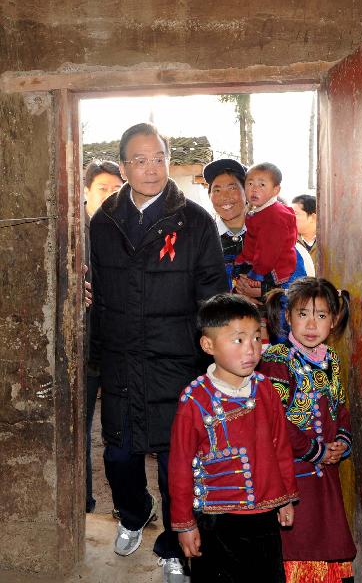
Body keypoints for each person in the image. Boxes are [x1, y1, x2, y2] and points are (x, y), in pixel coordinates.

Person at [89, 123, 227, 581]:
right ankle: (133, 513)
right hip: (122, 357)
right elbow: (92, 284)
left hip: (177, 360)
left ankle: (173, 543)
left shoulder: (195, 221)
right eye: (141, 160)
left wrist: (210, 351)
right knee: (120, 456)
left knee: (176, 464)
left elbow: (213, 292)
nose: (152, 169)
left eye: (160, 157)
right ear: (125, 166)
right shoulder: (103, 222)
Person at [168, 293, 298, 583]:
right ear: (208, 345)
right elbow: (179, 467)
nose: (251, 349)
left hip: (264, 518)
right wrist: (185, 524)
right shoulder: (195, 400)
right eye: (238, 340)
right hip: (217, 522)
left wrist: (286, 498)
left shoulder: (266, 390)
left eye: (256, 337)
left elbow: (281, 447)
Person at [259, 277, 356, 583]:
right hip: (292, 472)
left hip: (324, 474)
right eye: (303, 314)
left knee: (326, 535)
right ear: (288, 317)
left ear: (334, 321)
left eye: (322, 315)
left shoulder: (332, 360)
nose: (312, 324)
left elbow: (340, 407)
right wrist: (315, 450)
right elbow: (274, 421)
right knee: (297, 541)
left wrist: (341, 439)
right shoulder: (277, 359)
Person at [83, 159, 123, 513]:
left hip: (115, 347)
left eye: (116, 189)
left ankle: (128, 507)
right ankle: (82, 502)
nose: (110, 196)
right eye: (102, 189)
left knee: (118, 430)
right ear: (85, 192)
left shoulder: (122, 229)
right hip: (79, 349)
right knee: (77, 427)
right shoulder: (71, 230)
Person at [234, 162, 298, 290]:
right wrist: (241, 261)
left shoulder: (274, 216)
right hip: (260, 263)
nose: (254, 189)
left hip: (274, 270)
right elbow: (252, 243)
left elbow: (268, 251)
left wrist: (257, 274)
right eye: (250, 183)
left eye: (262, 185)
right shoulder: (260, 211)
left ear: (276, 190)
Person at [203, 158, 248, 290]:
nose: (224, 196)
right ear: (209, 196)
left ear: (246, 192)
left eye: (232, 188)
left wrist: (264, 291)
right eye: (217, 190)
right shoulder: (202, 238)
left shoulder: (269, 233)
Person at [291, 195, 317, 268]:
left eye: (295, 214)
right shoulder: (289, 241)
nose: (290, 217)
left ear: (313, 217)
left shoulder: (329, 241)